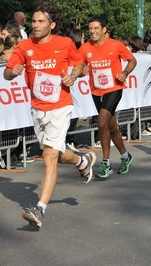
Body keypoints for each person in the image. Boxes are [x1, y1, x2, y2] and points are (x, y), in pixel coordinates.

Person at [3, 1, 97, 228]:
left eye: (40, 21)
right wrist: (12, 71)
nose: (35, 25)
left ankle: (40, 209)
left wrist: (72, 76)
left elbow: (80, 66)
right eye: (33, 21)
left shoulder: (64, 43)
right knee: (53, 153)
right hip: (37, 108)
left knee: (48, 157)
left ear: (51, 24)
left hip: (60, 106)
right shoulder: (24, 46)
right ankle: (82, 160)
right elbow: (7, 73)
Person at [79, 16, 136, 179]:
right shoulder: (85, 47)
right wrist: (82, 70)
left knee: (102, 121)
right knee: (111, 127)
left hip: (114, 88)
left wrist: (124, 73)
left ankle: (106, 163)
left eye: (96, 28)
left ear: (104, 29)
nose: (92, 31)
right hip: (96, 90)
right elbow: (79, 64)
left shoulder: (115, 45)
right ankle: (126, 157)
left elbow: (132, 60)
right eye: (90, 28)